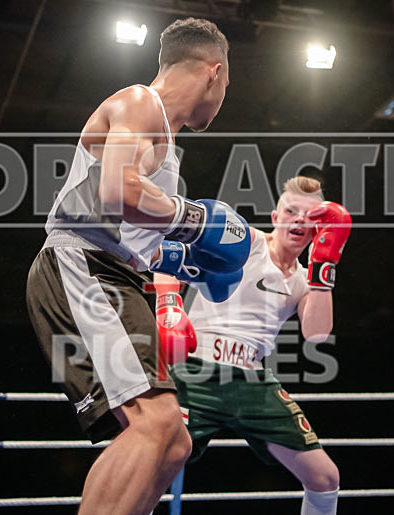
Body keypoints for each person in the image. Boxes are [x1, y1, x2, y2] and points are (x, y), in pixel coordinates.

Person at [26, 18, 251, 515]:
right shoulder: (139, 103)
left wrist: (191, 260)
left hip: (112, 272)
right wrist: (194, 219)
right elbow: (116, 193)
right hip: (82, 267)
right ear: (214, 72)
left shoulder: (164, 139)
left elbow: (136, 237)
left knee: (174, 444)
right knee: (156, 424)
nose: (224, 95)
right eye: (228, 83)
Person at [166, 176, 351, 515]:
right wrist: (168, 305)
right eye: (291, 211)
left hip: (253, 381)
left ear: (318, 227)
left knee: (325, 477)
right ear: (276, 217)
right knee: (151, 467)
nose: (298, 219)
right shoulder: (245, 242)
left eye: (309, 216)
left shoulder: (305, 278)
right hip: (195, 371)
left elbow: (317, 333)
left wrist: (324, 263)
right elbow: (167, 254)